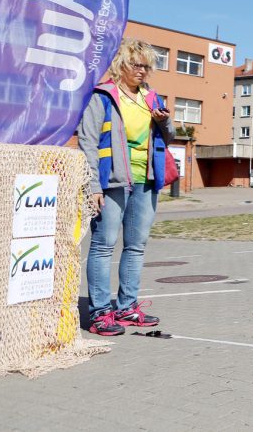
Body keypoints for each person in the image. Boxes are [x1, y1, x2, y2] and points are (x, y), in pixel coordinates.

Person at [77, 38, 175, 336]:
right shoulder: (103, 96)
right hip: (110, 182)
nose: (143, 71)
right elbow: (88, 141)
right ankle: (99, 314)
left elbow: (168, 138)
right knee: (104, 245)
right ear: (122, 64)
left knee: (136, 246)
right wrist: (93, 185)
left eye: (147, 66)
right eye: (137, 64)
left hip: (145, 181)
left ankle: (127, 308)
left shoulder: (151, 98)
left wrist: (164, 122)